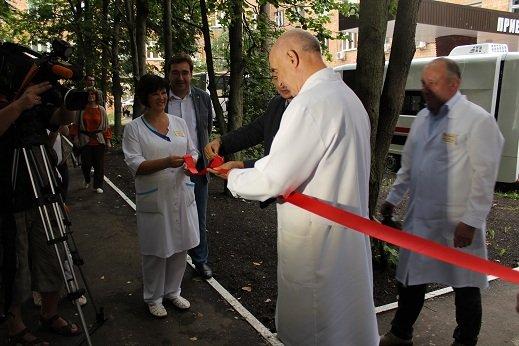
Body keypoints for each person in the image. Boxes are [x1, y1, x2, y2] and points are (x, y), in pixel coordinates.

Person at [210, 29, 379, 345]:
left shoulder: (309, 104)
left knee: (313, 328)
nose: (277, 80)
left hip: (317, 247)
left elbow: (273, 179)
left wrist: (233, 177)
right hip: (345, 237)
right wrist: (247, 167)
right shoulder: (348, 99)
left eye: (275, 71)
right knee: (345, 323)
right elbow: (300, 163)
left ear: (293, 57)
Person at [379, 58, 504, 346]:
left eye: (432, 83)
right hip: (421, 219)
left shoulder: (478, 120)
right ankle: (400, 333)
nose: (425, 89)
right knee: (411, 280)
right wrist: (393, 199)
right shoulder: (422, 118)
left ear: (453, 84)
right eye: (423, 83)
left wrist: (471, 222)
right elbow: (408, 166)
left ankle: (465, 341)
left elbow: (485, 177)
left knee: (465, 285)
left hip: (457, 224)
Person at [0, 82, 81, 345]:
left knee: (53, 254)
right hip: (11, 194)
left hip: (44, 186)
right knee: (15, 262)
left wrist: (67, 102)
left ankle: (50, 312)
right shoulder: (16, 96)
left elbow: (60, 120)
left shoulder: (36, 98)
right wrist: (20, 104)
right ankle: (15, 323)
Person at [122, 74, 200, 318]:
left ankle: (173, 291)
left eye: (163, 92)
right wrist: (166, 162)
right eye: (155, 93)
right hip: (155, 197)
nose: (161, 97)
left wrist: (191, 163)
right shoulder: (134, 128)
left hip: (181, 192)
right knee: (156, 249)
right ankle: (153, 297)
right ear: (145, 97)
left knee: (180, 246)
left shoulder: (178, 123)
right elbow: (135, 163)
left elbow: (193, 151)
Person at [166, 53, 214, 279]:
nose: (180, 77)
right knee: (170, 217)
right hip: (168, 170)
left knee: (198, 218)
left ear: (191, 74)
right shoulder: (160, 99)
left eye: (185, 72)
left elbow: (206, 128)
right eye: (175, 72)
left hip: (197, 170)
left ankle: (200, 261)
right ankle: (170, 262)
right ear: (169, 74)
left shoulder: (202, 98)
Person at [204, 76, 292, 172]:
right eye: (275, 76)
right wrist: (220, 142)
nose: (280, 84)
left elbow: (289, 160)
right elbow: (252, 132)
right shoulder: (277, 103)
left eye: (285, 74)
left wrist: (243, 166)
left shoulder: (307, 110)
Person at [71, 88, 112, 194]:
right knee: (86, 164)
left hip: (99, 140)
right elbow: (76, 125)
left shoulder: (101, 109)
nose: (91, 96)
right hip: (85, 140)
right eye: (89, 94)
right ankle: (87, 179)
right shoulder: (81, 110)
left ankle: (97, 185)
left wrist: (108, 140)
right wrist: (75, 137)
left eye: (93, 94)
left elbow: (106, 127)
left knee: (99, 165)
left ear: (96, 96)